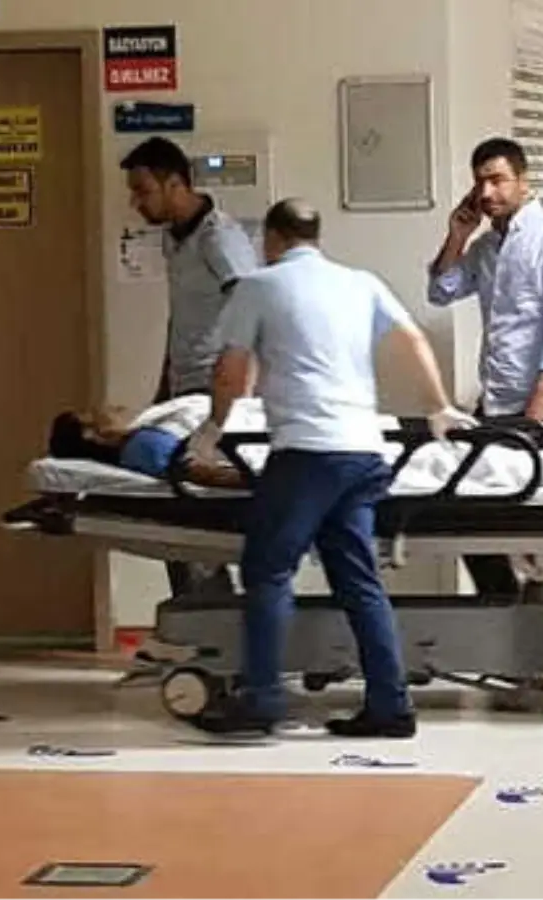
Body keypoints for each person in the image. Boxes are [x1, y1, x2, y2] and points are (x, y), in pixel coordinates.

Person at [185, 198, 477, 738]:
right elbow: (413, 338)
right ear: (316, 237)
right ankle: (390, 705)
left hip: (307, 453)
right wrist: (438, 406)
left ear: (272, 239)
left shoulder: (259, 286)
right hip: (363, 452)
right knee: (359, 581)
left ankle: (263, 699)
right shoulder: (360, 283)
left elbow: (230, 369)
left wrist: (213, 430)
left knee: (268, 571)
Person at [427, 137, 543, 594]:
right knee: (473, 509)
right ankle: (502, 606)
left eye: (497, 180)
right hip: (498, 402)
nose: (486, 193)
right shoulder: (484, 248)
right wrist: (457, 235)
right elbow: (441, 292)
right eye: (480, 182)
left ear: (523, 181)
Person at [120, 136, 260, 598]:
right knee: (178, 516)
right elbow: (181, 319)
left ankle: (211, 617)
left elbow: (252, 315)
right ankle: (203, 615)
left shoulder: (220, 238)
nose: (136, 202)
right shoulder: (174, 239)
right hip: (184, 389)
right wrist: (162, 390)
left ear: (175, 184)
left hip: (215, 391)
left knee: (195, 513)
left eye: (143, 191)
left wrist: (234, 408)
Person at [46, 407, 244, 489]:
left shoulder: (137, 444)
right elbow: (199, 472)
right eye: (93, 414)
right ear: (95, 435)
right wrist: (255, 480)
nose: (109, 408)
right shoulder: (143, 446)